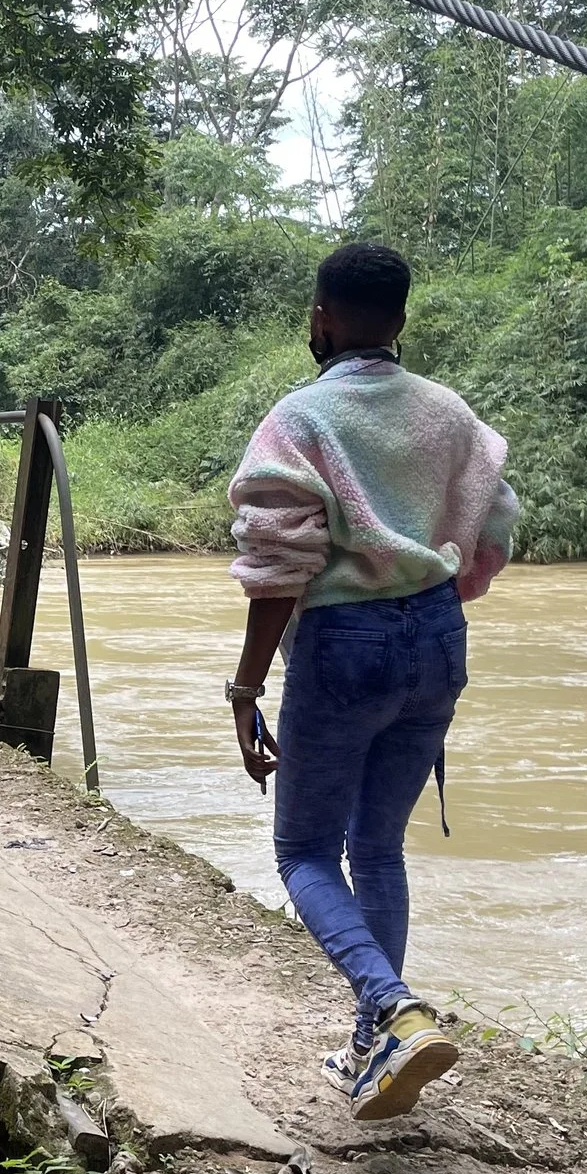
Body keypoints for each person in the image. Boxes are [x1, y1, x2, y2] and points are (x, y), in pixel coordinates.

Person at [223, 242, 518, 1124]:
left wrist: (245, 691)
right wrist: (442, 587)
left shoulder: (303, 418)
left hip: (344, 644)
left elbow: (279, 563)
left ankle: (392, 1011)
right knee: (378, 847)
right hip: (436, 635)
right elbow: (496, 519)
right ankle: (371, 1046)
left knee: (304, 852)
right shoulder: (449, 414)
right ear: (400, 321)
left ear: (320, 317)